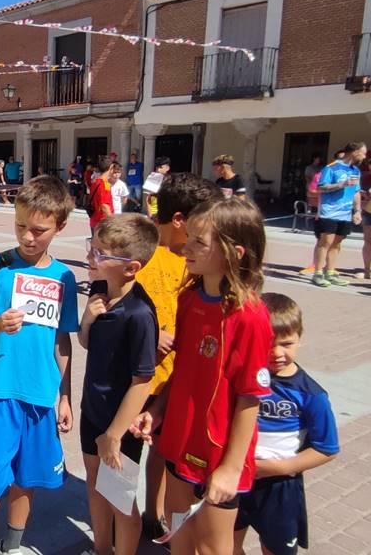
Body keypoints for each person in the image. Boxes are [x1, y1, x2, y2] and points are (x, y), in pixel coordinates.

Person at [131, 197, 273, 555]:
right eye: (188, 237)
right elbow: (185, 369)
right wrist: (158, 410)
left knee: (211, 546)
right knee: (179, 536)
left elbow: (249, 397)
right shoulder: (190, 300)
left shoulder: (250, 316)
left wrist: (230, 467)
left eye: (199, 241)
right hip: (179, 438)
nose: (186, 246)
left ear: (234, 252)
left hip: (218, 452)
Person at [0, 176, 79, 555]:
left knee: (26, 480)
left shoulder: (64, 277)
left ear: (60, 226)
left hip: (42, 395)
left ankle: (11, 544)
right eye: (19, 226)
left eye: (38, 230)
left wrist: (65, 396)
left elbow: (63, 341)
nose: (28, 237)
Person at [135, 174, 223, 541]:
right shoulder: (141, 249)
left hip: (181, 381)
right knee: (129, 454)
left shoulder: (199, 262)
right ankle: (133, 518)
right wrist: (149, 336)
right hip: (140, 379)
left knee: (166, 451)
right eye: (201, 226)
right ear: (180, 221)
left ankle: (158, 518)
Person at [233, 293, 340, 555]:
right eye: (269, 343)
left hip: (280, 487)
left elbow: (327, 448)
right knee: (225, 542)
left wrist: (281, 467)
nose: (277, 353)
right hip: (236, 476)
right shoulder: (241, 378)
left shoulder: (311, 394)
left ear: (300, 338)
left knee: (277, 549)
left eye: (287, 344)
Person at [79, 213, 159, 555]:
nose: (90, 258)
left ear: (131, 267)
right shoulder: (99, 291)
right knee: (96, 488)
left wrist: (114, 435)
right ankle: (100, 549)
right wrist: (88, 318)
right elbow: (86, 342)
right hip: (91, 411)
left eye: (100, 253)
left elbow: (143, 380)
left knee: (122, 503)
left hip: (119, 425)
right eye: (92, 249)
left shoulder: (139, 314)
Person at [311, 141, 366, 287]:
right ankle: (317, 273)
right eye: (363, 153)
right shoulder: (331, 168)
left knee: (337, 244)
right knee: (326, 242)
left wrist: (357, 211)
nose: (365, 156)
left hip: (345, 213)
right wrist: (341, 185)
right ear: (355, 152)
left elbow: (356, 192)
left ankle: (330, 272)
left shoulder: (355, 171)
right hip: (329, 211)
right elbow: (321, 187)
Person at [88, 158, 118, 234]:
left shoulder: (95, 182)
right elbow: (105, 206)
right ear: (110, 168)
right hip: (102, 222)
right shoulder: (105, 184)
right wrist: (112, 222)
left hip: (94, 220)